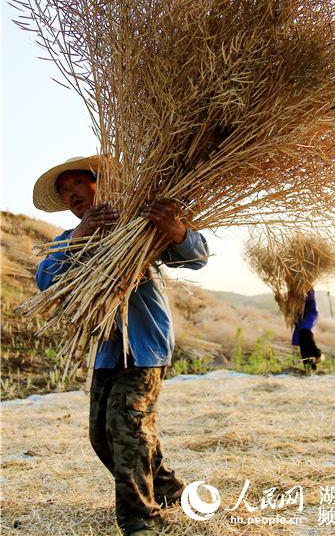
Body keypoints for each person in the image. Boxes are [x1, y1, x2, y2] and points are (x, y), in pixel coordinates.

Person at [33, 155, 209, 536]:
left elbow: (197, 256)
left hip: (144, 343)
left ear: (101, 183)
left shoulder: (136, 223)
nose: (72, 193)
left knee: (126, 426)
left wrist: (176, 231)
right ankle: (169, 490)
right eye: (65, 190)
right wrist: (80, 237)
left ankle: (140, 521)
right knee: (103, 435)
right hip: (107, 348)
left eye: (79, 183)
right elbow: (45, 279)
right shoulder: (70, 239)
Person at [291, 289, 323, 371]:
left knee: (304, 332)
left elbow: (309, 295)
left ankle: (317, 354)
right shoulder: (293, 288)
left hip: (309, 313)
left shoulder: (306, 286)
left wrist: (299, 296)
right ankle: (309, 368)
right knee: (302, 340)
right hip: (300, 317)